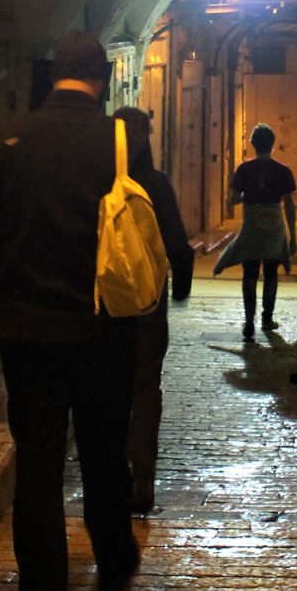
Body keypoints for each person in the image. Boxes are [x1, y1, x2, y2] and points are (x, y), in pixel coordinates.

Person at [0, 30, 156, 591]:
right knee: (103, 451)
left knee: (38, 471)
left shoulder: (7, 140)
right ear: (105, 78)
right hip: (103, 329)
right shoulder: (121, 141)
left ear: (50, 77)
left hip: (29, 332)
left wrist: (15, 277)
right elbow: (145, 226)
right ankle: (113, 562)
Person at [113, 106, 194, 516]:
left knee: (107, 391)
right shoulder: (156, 184)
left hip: (105, 305)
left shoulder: (101, 181)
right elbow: (178, 244)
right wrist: (180, 290)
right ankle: (143, 478)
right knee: (145, 390)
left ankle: (112, 479)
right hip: (148, 304)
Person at [214, 121, 297, 344]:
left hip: (251, 227)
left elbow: (233, 199)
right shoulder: (283, 171)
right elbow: (289, 204)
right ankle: (267, 319)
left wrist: (248, 195)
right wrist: (293, 236)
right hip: (274, 228)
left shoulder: (244, 170)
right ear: (272, 144)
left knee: (249, 273)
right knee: (271, 272)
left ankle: (249, 320)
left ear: (252, 144)